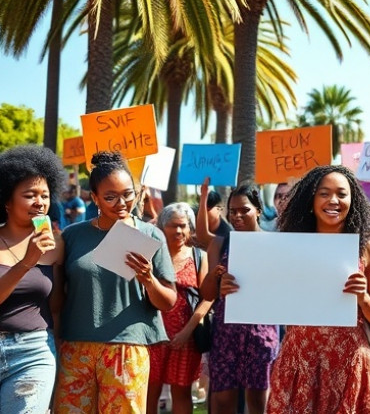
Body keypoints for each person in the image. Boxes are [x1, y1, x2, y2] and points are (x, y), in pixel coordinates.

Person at [246, 165, 370, 412]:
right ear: (311, 199)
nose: (333, 200)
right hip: (299, 362)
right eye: (324, 193)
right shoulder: (289, 248)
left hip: (347, 363)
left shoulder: (368, 249)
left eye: (341, 194)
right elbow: (264, 294)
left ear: (353, 200)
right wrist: (237, 288)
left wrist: (364, 298)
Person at [54, 151, 177, 413]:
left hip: (127, 349)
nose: (121, 203)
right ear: (94, 197)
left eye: (128, 194)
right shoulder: (72, 235)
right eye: (110, 197)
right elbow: (57, 296)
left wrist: (148, 279)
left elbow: (168, 301)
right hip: (75, 348)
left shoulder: (150, 235)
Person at [199, 182, 279, 414]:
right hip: (227, 333)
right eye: (233, 211)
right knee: (223, 399)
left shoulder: (275, 244)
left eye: (244, 210)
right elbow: (207, 294)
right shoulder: (220, 243)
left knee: (258, 400)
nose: (237, 216)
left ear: (258, 210)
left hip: (261, 332)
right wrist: (216, 279)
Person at [0, 145, 66, 413]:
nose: (40, 202)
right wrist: (28, 260)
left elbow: (56, 306)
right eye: (30, 195)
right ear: (6, 200)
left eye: (45, 195)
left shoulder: (56, 245)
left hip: (33, 353)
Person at [147, 203, 213, 414]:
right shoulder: (151, 255)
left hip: (186, 338)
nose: (178, 231)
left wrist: (187, 332)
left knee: (182, 393)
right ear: (161, 227)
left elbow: (208, 298)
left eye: (183, 226)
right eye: (173, 225)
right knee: (148, 392)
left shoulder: (199, 257)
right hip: (152, 336)